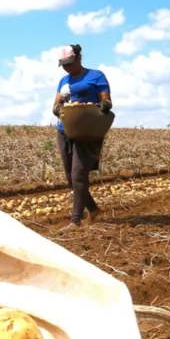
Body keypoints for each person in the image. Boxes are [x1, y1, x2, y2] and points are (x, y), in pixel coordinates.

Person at [51, 44, 112, 228]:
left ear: (79, 58)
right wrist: (60, 109)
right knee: (71, 178)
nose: (67, 67)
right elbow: (56, 105)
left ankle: (75, 220)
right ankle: (93, 209)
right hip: (64, 130)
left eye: (70, 63)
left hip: (87, 132)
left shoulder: (96, 76)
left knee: (79, 175)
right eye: (64, 65)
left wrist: (102, 106)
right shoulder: (63, 81)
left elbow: (106, 100)